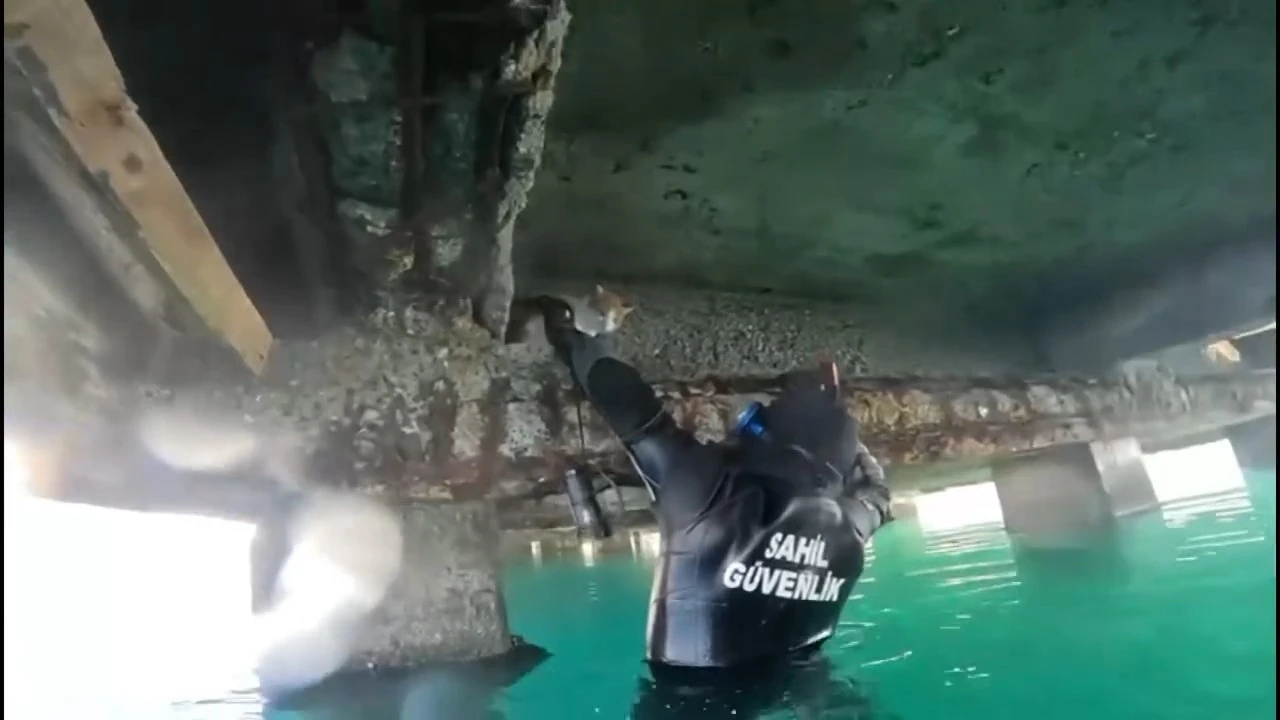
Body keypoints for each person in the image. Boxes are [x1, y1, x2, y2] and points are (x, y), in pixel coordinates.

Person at [534, 296, 894, 714]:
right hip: (803, 679)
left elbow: (619, 394)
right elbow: (878, 494)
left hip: (690, 700)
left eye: (757, 419)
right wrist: (839, 434)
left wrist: (587, 338)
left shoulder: (707, 486)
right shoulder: (851, 528)